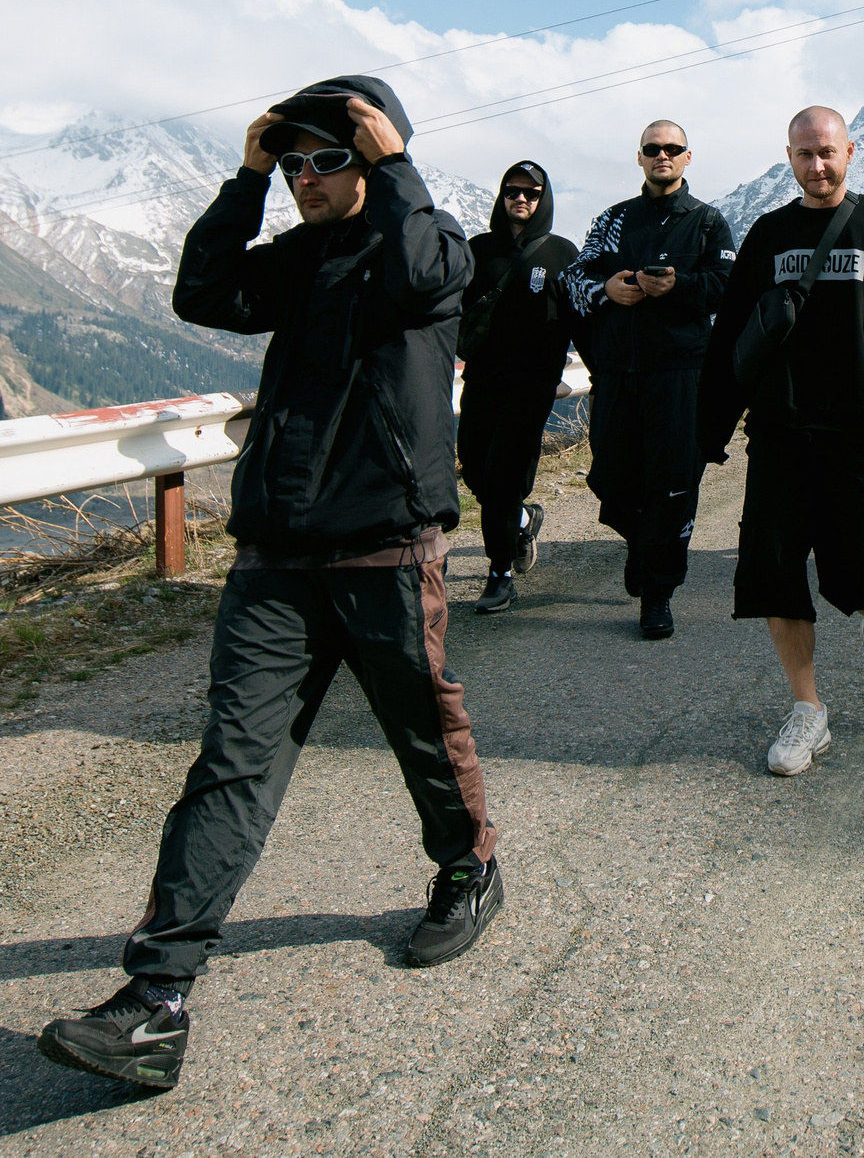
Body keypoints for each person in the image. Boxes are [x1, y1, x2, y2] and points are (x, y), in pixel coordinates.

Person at [37, 76, 498, 1092]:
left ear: (372, 155)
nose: (303, 177)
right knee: (231, 765)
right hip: (276, 556)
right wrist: (244, 178)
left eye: (323, 157)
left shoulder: (431, 241)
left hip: (386, 548)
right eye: (291, 162)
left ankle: (468, 864)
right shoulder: (293, 257)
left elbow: (423, 277)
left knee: (421, 728)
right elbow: (202, 292)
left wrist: (394, 164)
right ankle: (153, 999)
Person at [701, 107, 864, 777]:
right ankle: (810, 711)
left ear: (850, 152)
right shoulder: (769, 234)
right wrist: (711, 427)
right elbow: (731, 337)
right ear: (789, 156)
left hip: (860, 434)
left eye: (828, 152)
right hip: (781, 434)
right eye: (805, 154)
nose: (817, 165)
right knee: (776, 575)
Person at [561, 120, 735, 640]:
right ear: (639, 158)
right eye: (653, 149)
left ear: (688, 157)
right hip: (616, 374)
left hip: (681, 375)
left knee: (675, 483)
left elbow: (728, 287)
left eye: (673, 148)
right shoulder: (613, 220)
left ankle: (658, 593)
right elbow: (575, 278)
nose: (663, 155)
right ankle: (640, 545)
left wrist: (679, 286)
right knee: (612, 478)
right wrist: (607, 288)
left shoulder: (707, 222)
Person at [458, 162, 579, 615]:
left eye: (531, 192)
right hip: (482, 379)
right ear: (502, 196)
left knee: (504, 477)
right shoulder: (477, 251)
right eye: (513, 191)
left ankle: (500, 574)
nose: (521, 199)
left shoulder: (562, 253)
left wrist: (606, 369)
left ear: (544, 197)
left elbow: (580, 317)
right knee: (474, 467)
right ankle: (524, 521)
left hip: (532, 386)